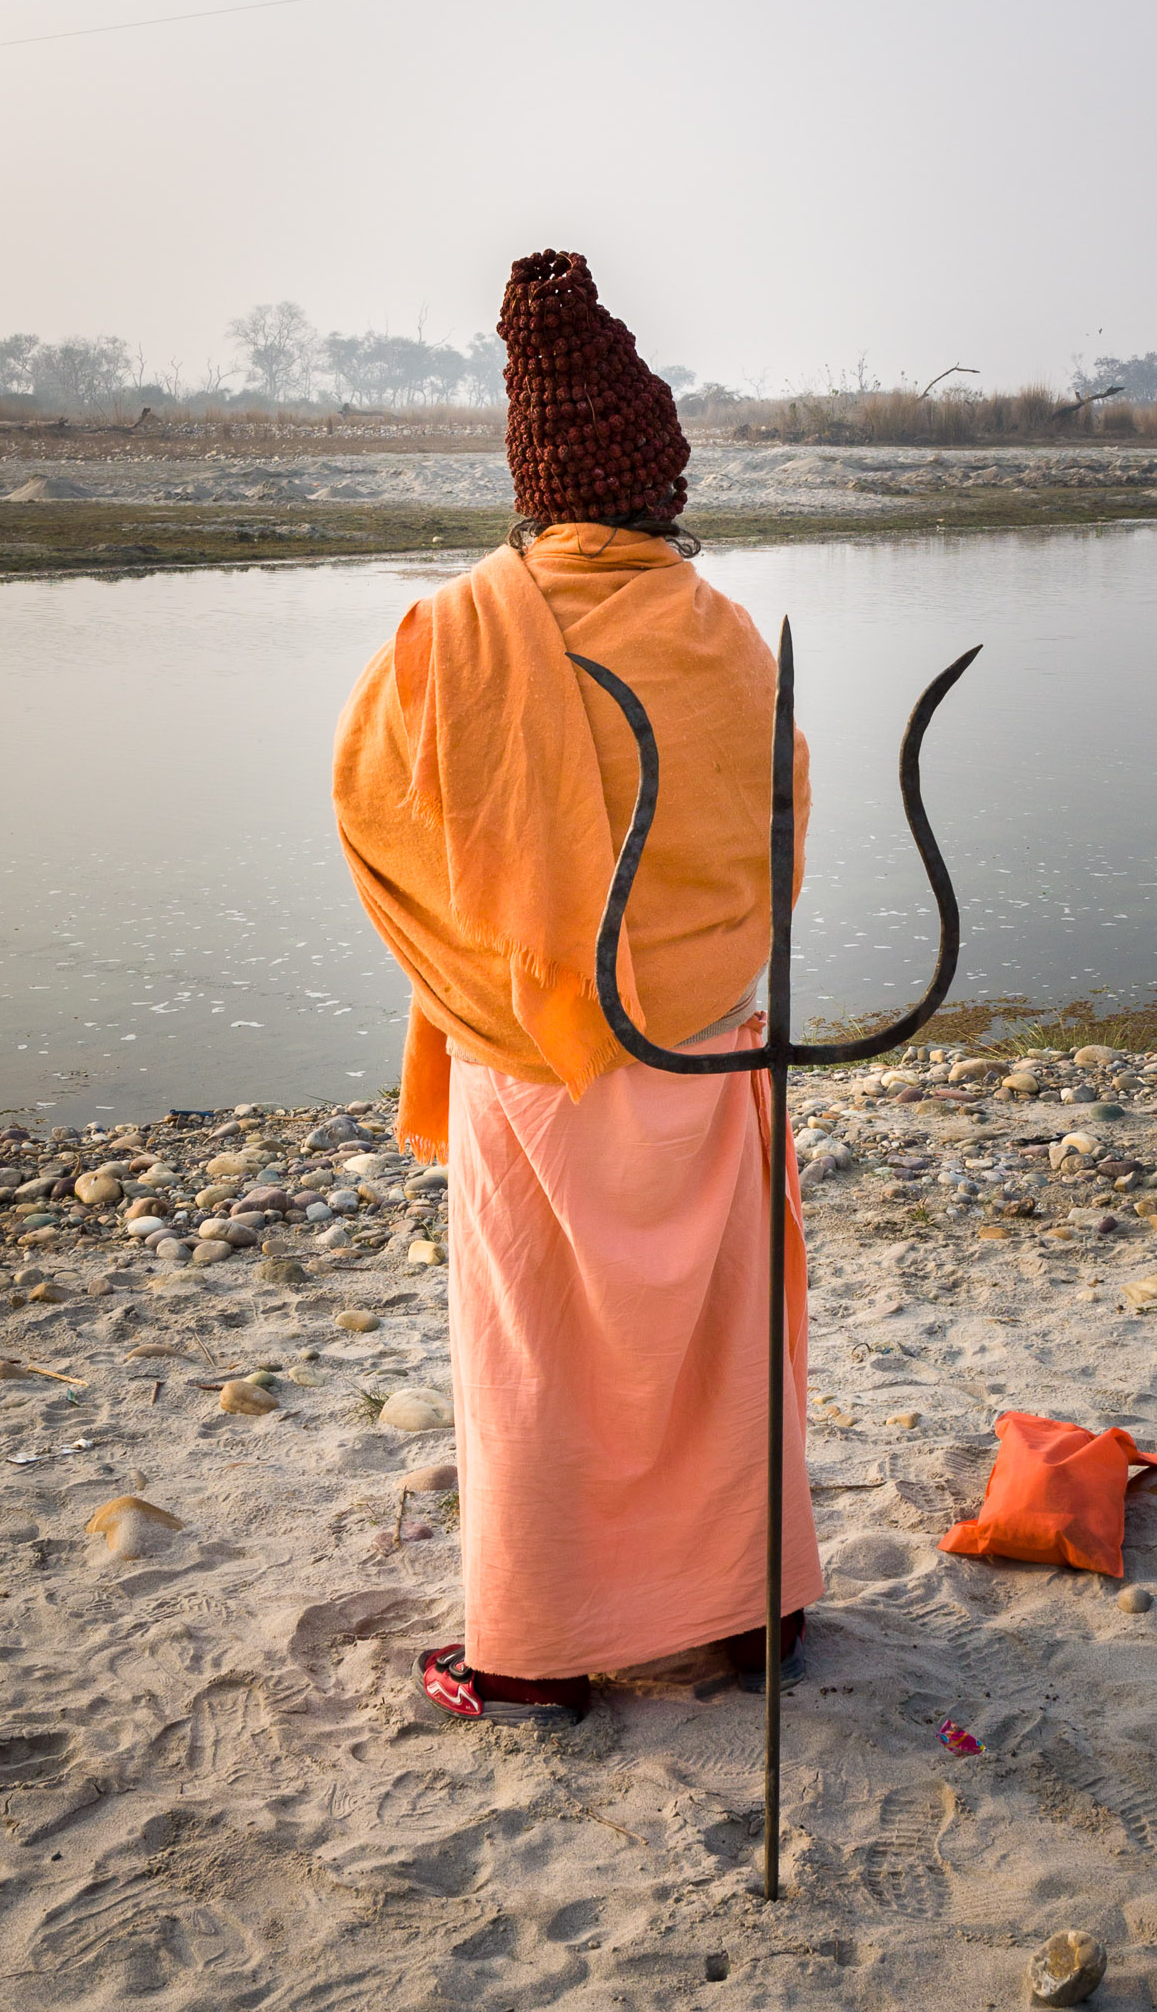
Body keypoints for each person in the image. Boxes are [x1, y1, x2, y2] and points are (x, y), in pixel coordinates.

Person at [334, 249, 822, 1726]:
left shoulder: (447, 643)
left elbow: (378, 834)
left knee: (534, 1361)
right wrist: (691, 982)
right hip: (712, 1053)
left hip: (529, 1069)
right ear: (661, 488)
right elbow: (777, 842)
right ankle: (751, 1620)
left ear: (532, 485)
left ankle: (535, 1657)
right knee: (721, 1355)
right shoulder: (729, 638)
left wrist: (494, 989)